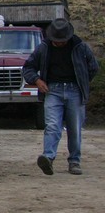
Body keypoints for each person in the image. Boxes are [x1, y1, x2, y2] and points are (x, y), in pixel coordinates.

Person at [23, 18, 98, 176]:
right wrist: (37, 80)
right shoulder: (43, 48)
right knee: (52, 126)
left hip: (75, 90)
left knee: (74, 128)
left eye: (62, 40)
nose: (59, 43)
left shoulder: (80, 46)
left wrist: (82, 82)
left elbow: (93, 67)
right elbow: (28, 67)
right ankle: (48, 158)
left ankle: (74, 161)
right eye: (56, 40)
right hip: (52, 90)